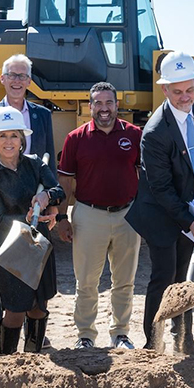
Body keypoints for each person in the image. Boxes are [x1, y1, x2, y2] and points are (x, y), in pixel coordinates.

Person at [125, 52, 194, 353]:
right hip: (163, 215)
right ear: (164, 90)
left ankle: (184, 341)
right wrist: (188, 220)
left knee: (185, 278)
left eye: (190, 90)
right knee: (164, 278)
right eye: (177, 92)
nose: (184, 97)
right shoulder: (154, 133)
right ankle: (153, 344)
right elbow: (162, 189)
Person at [0, 54, 56, 353]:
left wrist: (51, 205)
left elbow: (51, 170)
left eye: (23, 75)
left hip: (35, 214)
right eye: (12, 75)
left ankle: (34, 342)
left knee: (36, 291)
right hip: (7, 218)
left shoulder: (43, 116)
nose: (17, 80)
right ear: (3, 79)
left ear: (29, 81)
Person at [57, 82, 142, 350]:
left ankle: (121, 334)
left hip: (127, 216)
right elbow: (65, 182)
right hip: (89, 215)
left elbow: (145, 176)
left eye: (109, 103)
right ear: (90, 106)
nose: (104, 109)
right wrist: (62, 217)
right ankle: (85, 335)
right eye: (98, 103)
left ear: (117, 105)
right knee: (86, 282)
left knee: (125, 281)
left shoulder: (135, 134)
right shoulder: (76, 138)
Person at [0, 107, 64, 353]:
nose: (9, 142)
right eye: (2, 136)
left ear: (22, 139)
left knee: (39, 305)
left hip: (39, 242)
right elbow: (0, 218)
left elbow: (59, 190)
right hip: (10, 246)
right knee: (15, 309)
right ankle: (8, 362)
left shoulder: (35, 163)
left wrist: (47, 195)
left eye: (14, 135)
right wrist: (27, 217)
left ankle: (33, 358)